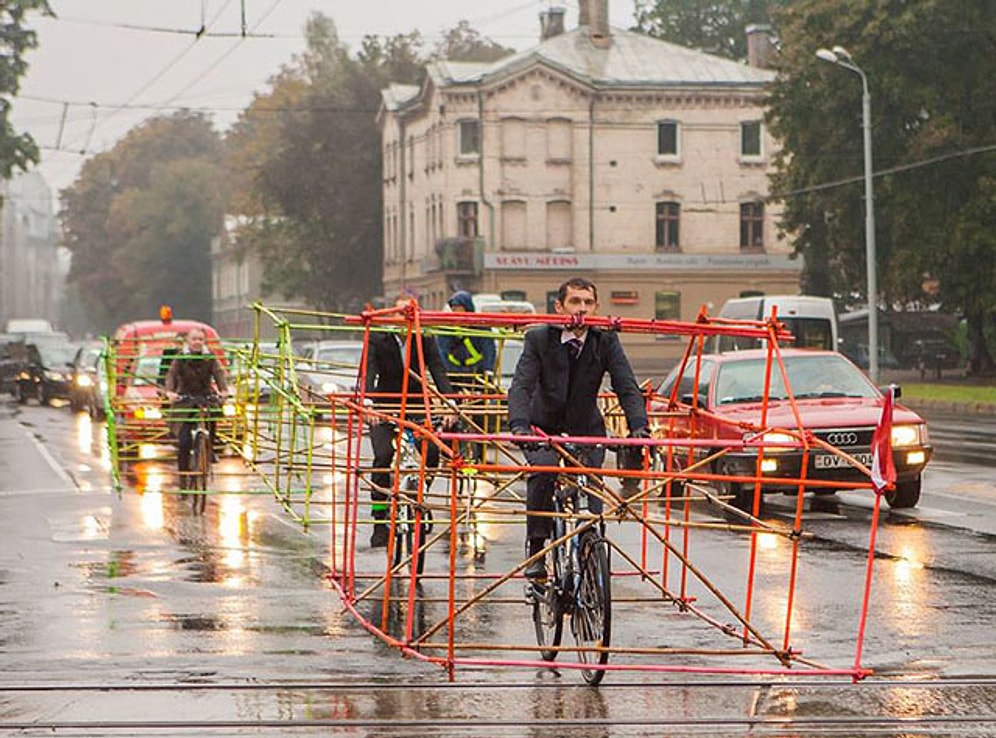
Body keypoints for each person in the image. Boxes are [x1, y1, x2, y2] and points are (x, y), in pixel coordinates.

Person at [507, 277, 649, 580]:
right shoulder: (539, 339)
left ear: (596, 307)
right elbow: (521, 386)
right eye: (575, 302)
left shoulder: (605, 340)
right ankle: (537, 548)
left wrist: (639, 427)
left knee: (590, 488)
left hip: (586, 428)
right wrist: (520, 427)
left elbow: (627, 386)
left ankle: (589, 549)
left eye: (588, 303)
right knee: (543, 476)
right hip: (544, 429)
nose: (582, 310)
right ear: (559, 307)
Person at [364, 293, 456, 548]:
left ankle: (419, 496)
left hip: (416, 406)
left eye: (410, 313)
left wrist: (450, 403)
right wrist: (368, 403)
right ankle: (380, 519)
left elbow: (438, 369)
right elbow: (369, 370)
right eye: (401, 313)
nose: (406, 318)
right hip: (384, 406)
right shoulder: (377, 338)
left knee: (433, 453)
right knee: (383, 457)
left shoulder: (424, 338)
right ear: (391, 315)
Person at [164, 328, 229, 488]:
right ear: (188, 341)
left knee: (213, 419)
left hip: (205, 396)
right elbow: (171, 375)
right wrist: (170, 392)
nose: (197, 342)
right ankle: (184, 476)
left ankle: (210, 449)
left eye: (200, 339)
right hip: (185, 398)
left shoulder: (210, 357)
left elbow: (219, 373)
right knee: (184, 441)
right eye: (194, 339)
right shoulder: (180, 358)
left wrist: (224, 390)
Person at [438, 290, 497, 454]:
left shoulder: (481, 325)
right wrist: (447, 376)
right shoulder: (447, 327)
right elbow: (442, 352)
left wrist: (488, 372)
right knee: (451, 411)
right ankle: (450, 451)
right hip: (454, 376)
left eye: (459, 307)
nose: (456, 311)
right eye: (454, 307)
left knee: (479, 416)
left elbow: (489, 348)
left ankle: (480, 452)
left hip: (476, 375)